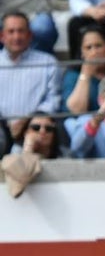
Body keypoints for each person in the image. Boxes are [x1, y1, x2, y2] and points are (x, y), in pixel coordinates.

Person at [0, 11, 61, 151]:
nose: (16, 36)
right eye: (11, 31)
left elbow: (54, 100)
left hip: (34, 129)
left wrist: (27, 122)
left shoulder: (48, 63)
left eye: (21, 31)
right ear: (2, 36)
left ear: (30, 35)